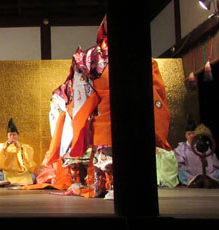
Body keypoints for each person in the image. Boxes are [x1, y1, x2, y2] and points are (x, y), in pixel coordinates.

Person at [32, 15, 173, 199]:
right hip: (113, 109)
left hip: (115, 109)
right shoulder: (112, 55)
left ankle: (109, 186)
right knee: (108, 153)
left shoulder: (94, 56)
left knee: (112, 152)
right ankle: (109, 185)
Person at [0, 118, 37, 185]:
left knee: (33, 176)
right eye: (10, 135)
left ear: (17, 135)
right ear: (7, 136)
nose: (12, 137)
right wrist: (4, 149)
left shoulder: (25, 147)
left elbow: (29, 163)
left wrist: (19, 148)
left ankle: (8, 183)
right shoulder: (1, 147)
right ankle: (11, 182)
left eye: (14, 135)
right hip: (6, 173)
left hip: (21, 174)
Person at [174, 118, 219, 187]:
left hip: (207, 173)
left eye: (193, 133)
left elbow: (213, 161)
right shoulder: (181, 149)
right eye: (189, 134)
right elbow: (180, 165)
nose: (191, 136)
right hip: (191, 175)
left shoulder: (203, 145)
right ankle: (194, 182)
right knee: (181, 172)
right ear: (185, 135)